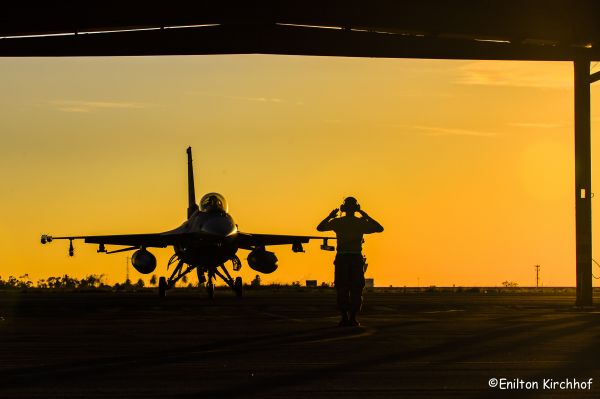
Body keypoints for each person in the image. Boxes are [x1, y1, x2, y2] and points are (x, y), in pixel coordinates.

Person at [317, 197, 383, 326]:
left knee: (342, 288)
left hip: (342, 257)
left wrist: (330, 216)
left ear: (343, 208)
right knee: (356, 289)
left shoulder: (337, 222)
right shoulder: (361, 223)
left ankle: (344, 318)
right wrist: (365, 215)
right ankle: (353, 318)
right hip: (355, 258)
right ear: (356, 208)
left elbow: (319, 228)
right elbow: (379, 228)